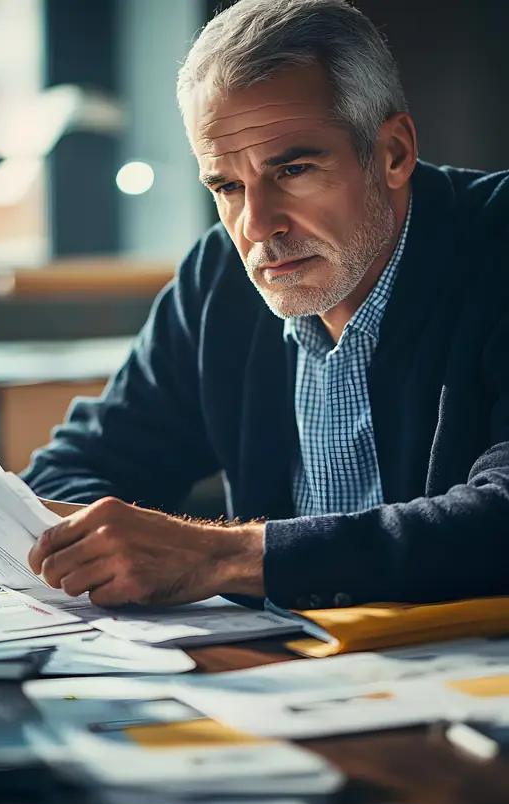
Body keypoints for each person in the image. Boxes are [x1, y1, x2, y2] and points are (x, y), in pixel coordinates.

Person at [25, 0, 509, 613]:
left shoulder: (497, 245)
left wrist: (217, 555)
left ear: (393, 152)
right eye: (226, 186)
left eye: (295, 168)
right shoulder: (221, 275)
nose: (256, 225)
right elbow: (69, 472)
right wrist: (117, 548)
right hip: (282, 678)